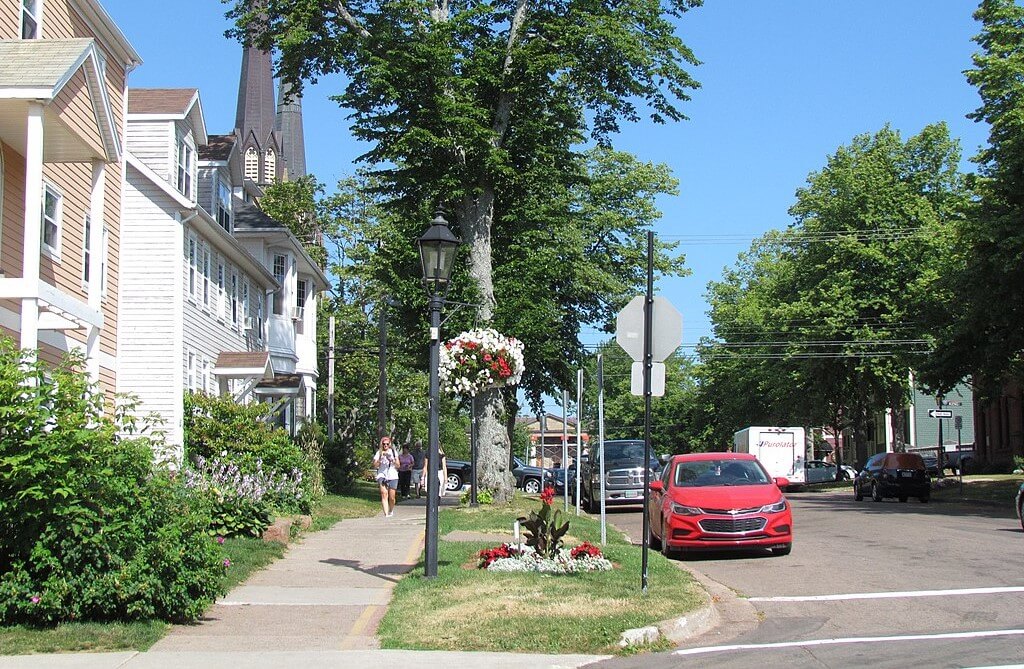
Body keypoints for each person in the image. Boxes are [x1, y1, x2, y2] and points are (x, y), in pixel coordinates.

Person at [372, 436, 399, 517]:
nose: (385, 446)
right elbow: (375, 465)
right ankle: (386, 514)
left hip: (392, 475)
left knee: (392, 497)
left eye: (387, 444)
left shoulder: (393, 452)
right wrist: (380, 458)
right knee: (384, 494)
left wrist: (391, 459)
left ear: (390, 444)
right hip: (382, 475)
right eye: (384, 444)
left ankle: (391, 510)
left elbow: (398, 465)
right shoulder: (379, 453)